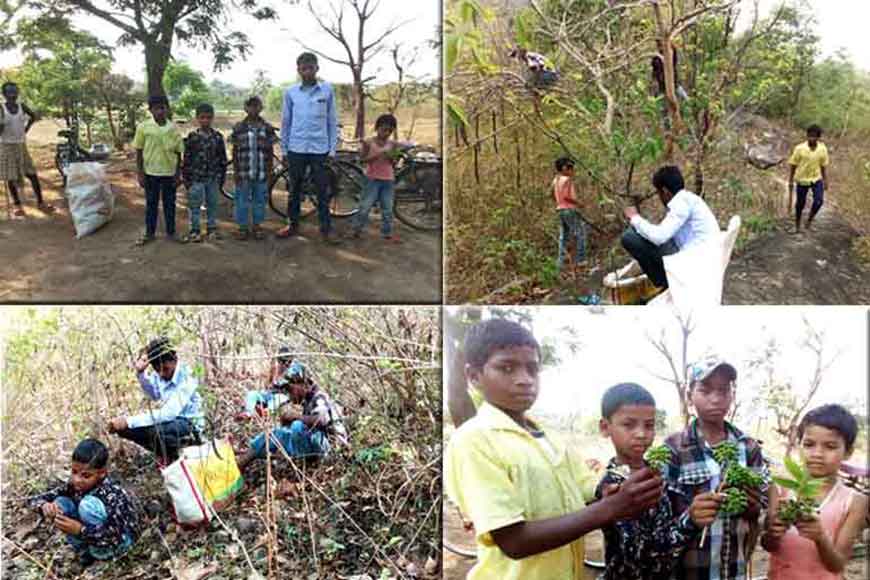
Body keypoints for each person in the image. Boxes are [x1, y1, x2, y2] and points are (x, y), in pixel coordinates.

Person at [444, 318, 666, 579]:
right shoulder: (474, 440)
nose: (525, 380)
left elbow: (587, 488)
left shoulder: (550, 438)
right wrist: (611, 507)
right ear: (474, 376)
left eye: (532, 369)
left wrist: (611, 491)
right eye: (507, 368)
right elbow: (514, 541)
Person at [661, 357, 769, 580]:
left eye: (723, 390)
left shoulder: (748, 447)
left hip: (734, 572)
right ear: (689, 395)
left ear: (732, 395)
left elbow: (757, 512)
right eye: (705, 390)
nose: (716, 399)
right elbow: (661, 524)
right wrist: (690, 518)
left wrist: (752, 506)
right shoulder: (673, 449)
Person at [595, 383, 710, 580]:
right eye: (629, 425)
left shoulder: (657, 473)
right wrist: (690, 520)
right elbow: (643, 555)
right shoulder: (613, 487)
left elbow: (663, 527)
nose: (641, 434)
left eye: (649, 425)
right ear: (605, 428)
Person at [763, 404, 868, 580]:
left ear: (848, 452)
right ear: (799, 445)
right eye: (809, 444)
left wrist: (820, 538)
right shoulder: (780, 489)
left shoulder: (855, 501)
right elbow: (769, 545)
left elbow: (837, 564)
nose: (817, 454)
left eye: (830, 446)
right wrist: (772, 534)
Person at [30, 439, 140, 568]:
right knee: (60, 503)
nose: (77, 480)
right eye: (74, 472)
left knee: (87, 506)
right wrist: (45, 506)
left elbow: (114, 534)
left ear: (102, 473)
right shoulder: (74, 486)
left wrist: (80, 530)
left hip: (120, 542)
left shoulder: (112, 494)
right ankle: (86, 554)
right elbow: (36, 499)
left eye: (86, 476)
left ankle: (105, 557)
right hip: (92, 538)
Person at [107, 337, 204, 464]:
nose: (162, 374)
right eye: (158, 370)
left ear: (175, 359)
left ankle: (182, 450)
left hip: (189, 424)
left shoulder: (188, 376)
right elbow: (154, 395)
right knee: (126, 430)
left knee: (152, 430)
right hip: (171, 424)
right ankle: (165, 454)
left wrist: (128, 421)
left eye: (165, 369)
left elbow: (169, 414)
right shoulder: (160, 375)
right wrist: (140, 373)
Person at [621, 165, 720, 289]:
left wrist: (634, 217)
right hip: (702, 255)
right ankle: (664, 281)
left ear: (665, 192)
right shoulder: (689, 199)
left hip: (696, 261)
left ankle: (666, 283)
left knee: (629, 237)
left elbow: (659, 237)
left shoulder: (681, 203)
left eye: (658, 193)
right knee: (642, 233)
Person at [237, 362, 348, 470]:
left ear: (302, 384)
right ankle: (241, 463)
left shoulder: (319, 397)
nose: (289, 394)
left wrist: (295, 417)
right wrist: (286, 421)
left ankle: (303, 465)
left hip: (332, 449)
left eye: (290, 389)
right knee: (276, 433)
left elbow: (322, 419)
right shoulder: (307, 401)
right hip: (316, 444)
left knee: (297, 426)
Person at [278, 52, 340, 243]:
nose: (307, 72)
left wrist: (332, 150)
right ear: (298, 70)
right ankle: (292, 224)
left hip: (319, 150)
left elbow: (332, 122)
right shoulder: (291, 92)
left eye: (310, 68)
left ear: (316, 68)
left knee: (322, 190)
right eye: (303, 68)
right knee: (295, 189)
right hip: (296, 148)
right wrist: (284, 150)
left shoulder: (327, 90)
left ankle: (326, 229)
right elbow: (286, 122)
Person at [350, 113, 414, 241]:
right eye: (384, 130)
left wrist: (392, 157)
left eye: (390, 131)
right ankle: (356, 229)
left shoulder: (392, 144)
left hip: (388, 179)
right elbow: (362, 160)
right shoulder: (368, 142)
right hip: (372, 178)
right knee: (365, 207)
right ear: (377, 128)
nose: (386, 133)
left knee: (387, 208)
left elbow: (393, 163)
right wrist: (377, 155)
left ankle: (387, 232)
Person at [133, 95, 184, 246]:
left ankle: (171, 232)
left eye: (163, 108)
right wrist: (140, 173)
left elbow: (178, 152)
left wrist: (178, 174)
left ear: (167, 109)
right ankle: (149, 233)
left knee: (170, 204)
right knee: (151, 204)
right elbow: (139, 151)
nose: (160, 111)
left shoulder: (173, 128)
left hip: (169, 173)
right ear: (150, 110)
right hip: (150, 173)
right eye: (156, 108)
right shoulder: (143, 127)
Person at [0, 81, 54, 216]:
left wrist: (26, 129)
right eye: (9, 92)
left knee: (32, 174)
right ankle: (17, 205)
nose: (13, 94)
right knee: (11, 177)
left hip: (21, 145)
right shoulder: (1, 108)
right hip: (7, 146)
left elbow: (33, 116)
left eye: (15, 91)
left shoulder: (21, 106)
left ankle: (41, 202)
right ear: (4, 94)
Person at [229, 96, 276, 241]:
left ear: (261, 108)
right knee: (241, 199)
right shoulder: (239, 128)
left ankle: (257, 226)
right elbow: (234, 151)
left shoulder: (267, 128)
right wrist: (236, 171)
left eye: (257, 106)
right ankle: (242, 227)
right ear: (245, 108)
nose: (253, 109)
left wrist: (270, 171)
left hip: (261, 172)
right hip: (243, 171)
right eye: (250, 106)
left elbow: (270, 151)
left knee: (259, 200)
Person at [181, 102, 227, 243]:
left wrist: (222, 177)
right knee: (194, 205)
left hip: (213, 177)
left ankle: (211, 228)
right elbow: (187, 159)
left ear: (212, 118)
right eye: (202, 117)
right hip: (196, 178)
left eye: (208, 117)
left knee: (212, 204)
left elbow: (222, 158)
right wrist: (186, 179)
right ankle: (195, 230)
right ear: (197, 118)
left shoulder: (217, 137)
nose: (205, 120)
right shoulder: (192, 137)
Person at [787, 125, 829, 234]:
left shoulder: (822, 149)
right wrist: (790, 180)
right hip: (802, 179)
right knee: (800, 204)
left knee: (819, 201)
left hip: (816, 179)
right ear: (807, 136)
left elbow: (823, 165)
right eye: (810, 136)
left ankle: (809, 221)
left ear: (818, 137)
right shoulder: (799, 148)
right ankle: (797, 226)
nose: (811, 138)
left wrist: (825, 180)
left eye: (814, 136)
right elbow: (793, 164)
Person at [552, 157, 587, 272]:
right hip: (569, 209)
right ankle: (581, 260)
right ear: (564, 168)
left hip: (560, 210)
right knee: (580, 233)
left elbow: (552, 194)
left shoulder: (555, 180)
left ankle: (560, 262)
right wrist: (579, 203)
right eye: (570, 168)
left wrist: (559, 203)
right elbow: (567, 196)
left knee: (564, 236)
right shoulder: (567, 180)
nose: (572, 171)